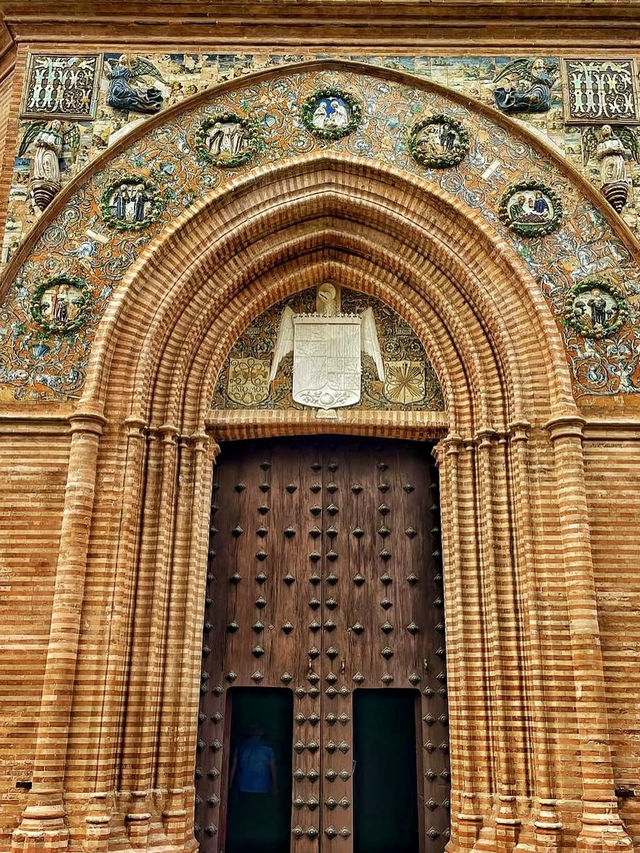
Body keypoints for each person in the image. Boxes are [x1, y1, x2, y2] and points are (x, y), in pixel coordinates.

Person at [230, 726, 277, 796]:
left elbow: (233, 767)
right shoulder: (268, 748)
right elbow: (272, 769)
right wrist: (275, 787)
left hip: (243, 786)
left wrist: (230, 785)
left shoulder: (241, 746)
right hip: (262, 787)